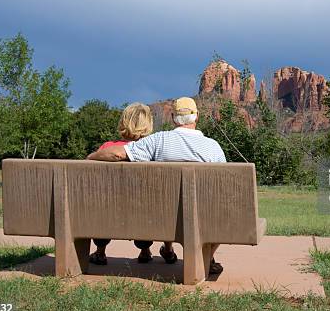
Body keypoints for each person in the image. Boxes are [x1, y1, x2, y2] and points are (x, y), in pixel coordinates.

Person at [87, 97, 227, 273]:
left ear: (173, 118)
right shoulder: (213, 147)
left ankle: (102, 251)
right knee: (216, 211)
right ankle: (205, 258)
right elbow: (223, 186)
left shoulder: (158, 141)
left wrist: (92, 156)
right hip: (200, 214)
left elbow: (118, 154)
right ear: (196, 117)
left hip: (162, 216)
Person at [88, 102, 155, 265]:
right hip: (143, 214)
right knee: (147, 206)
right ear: (148, 125)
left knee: (102, 206)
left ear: (123, 122)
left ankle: (100, 251)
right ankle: (145, 250)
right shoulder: (152, 150)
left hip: (109, 211)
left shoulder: (107, 148)